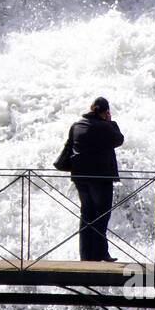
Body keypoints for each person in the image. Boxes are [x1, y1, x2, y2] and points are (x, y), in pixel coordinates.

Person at [56, 97, 124, 262]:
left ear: (91, 108)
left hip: (80, 178)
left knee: (87, 215)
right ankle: (100, 254)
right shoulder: (105, 127)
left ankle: (86, 256)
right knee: (101, 216)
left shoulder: (76, 126)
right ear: (105, 112)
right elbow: (119, 139)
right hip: (100, 179)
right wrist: (111, 122)